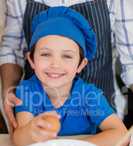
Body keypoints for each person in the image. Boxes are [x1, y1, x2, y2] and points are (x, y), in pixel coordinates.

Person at [0, 0, 133, 131]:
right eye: (46, 54)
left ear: (82, 64)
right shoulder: (27, 93)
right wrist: (9, 90)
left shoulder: (92, 97)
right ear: (31, 59)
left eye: (67, 56)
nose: (55, 64)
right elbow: (12, 47)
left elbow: (130, 62)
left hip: (103, 106)